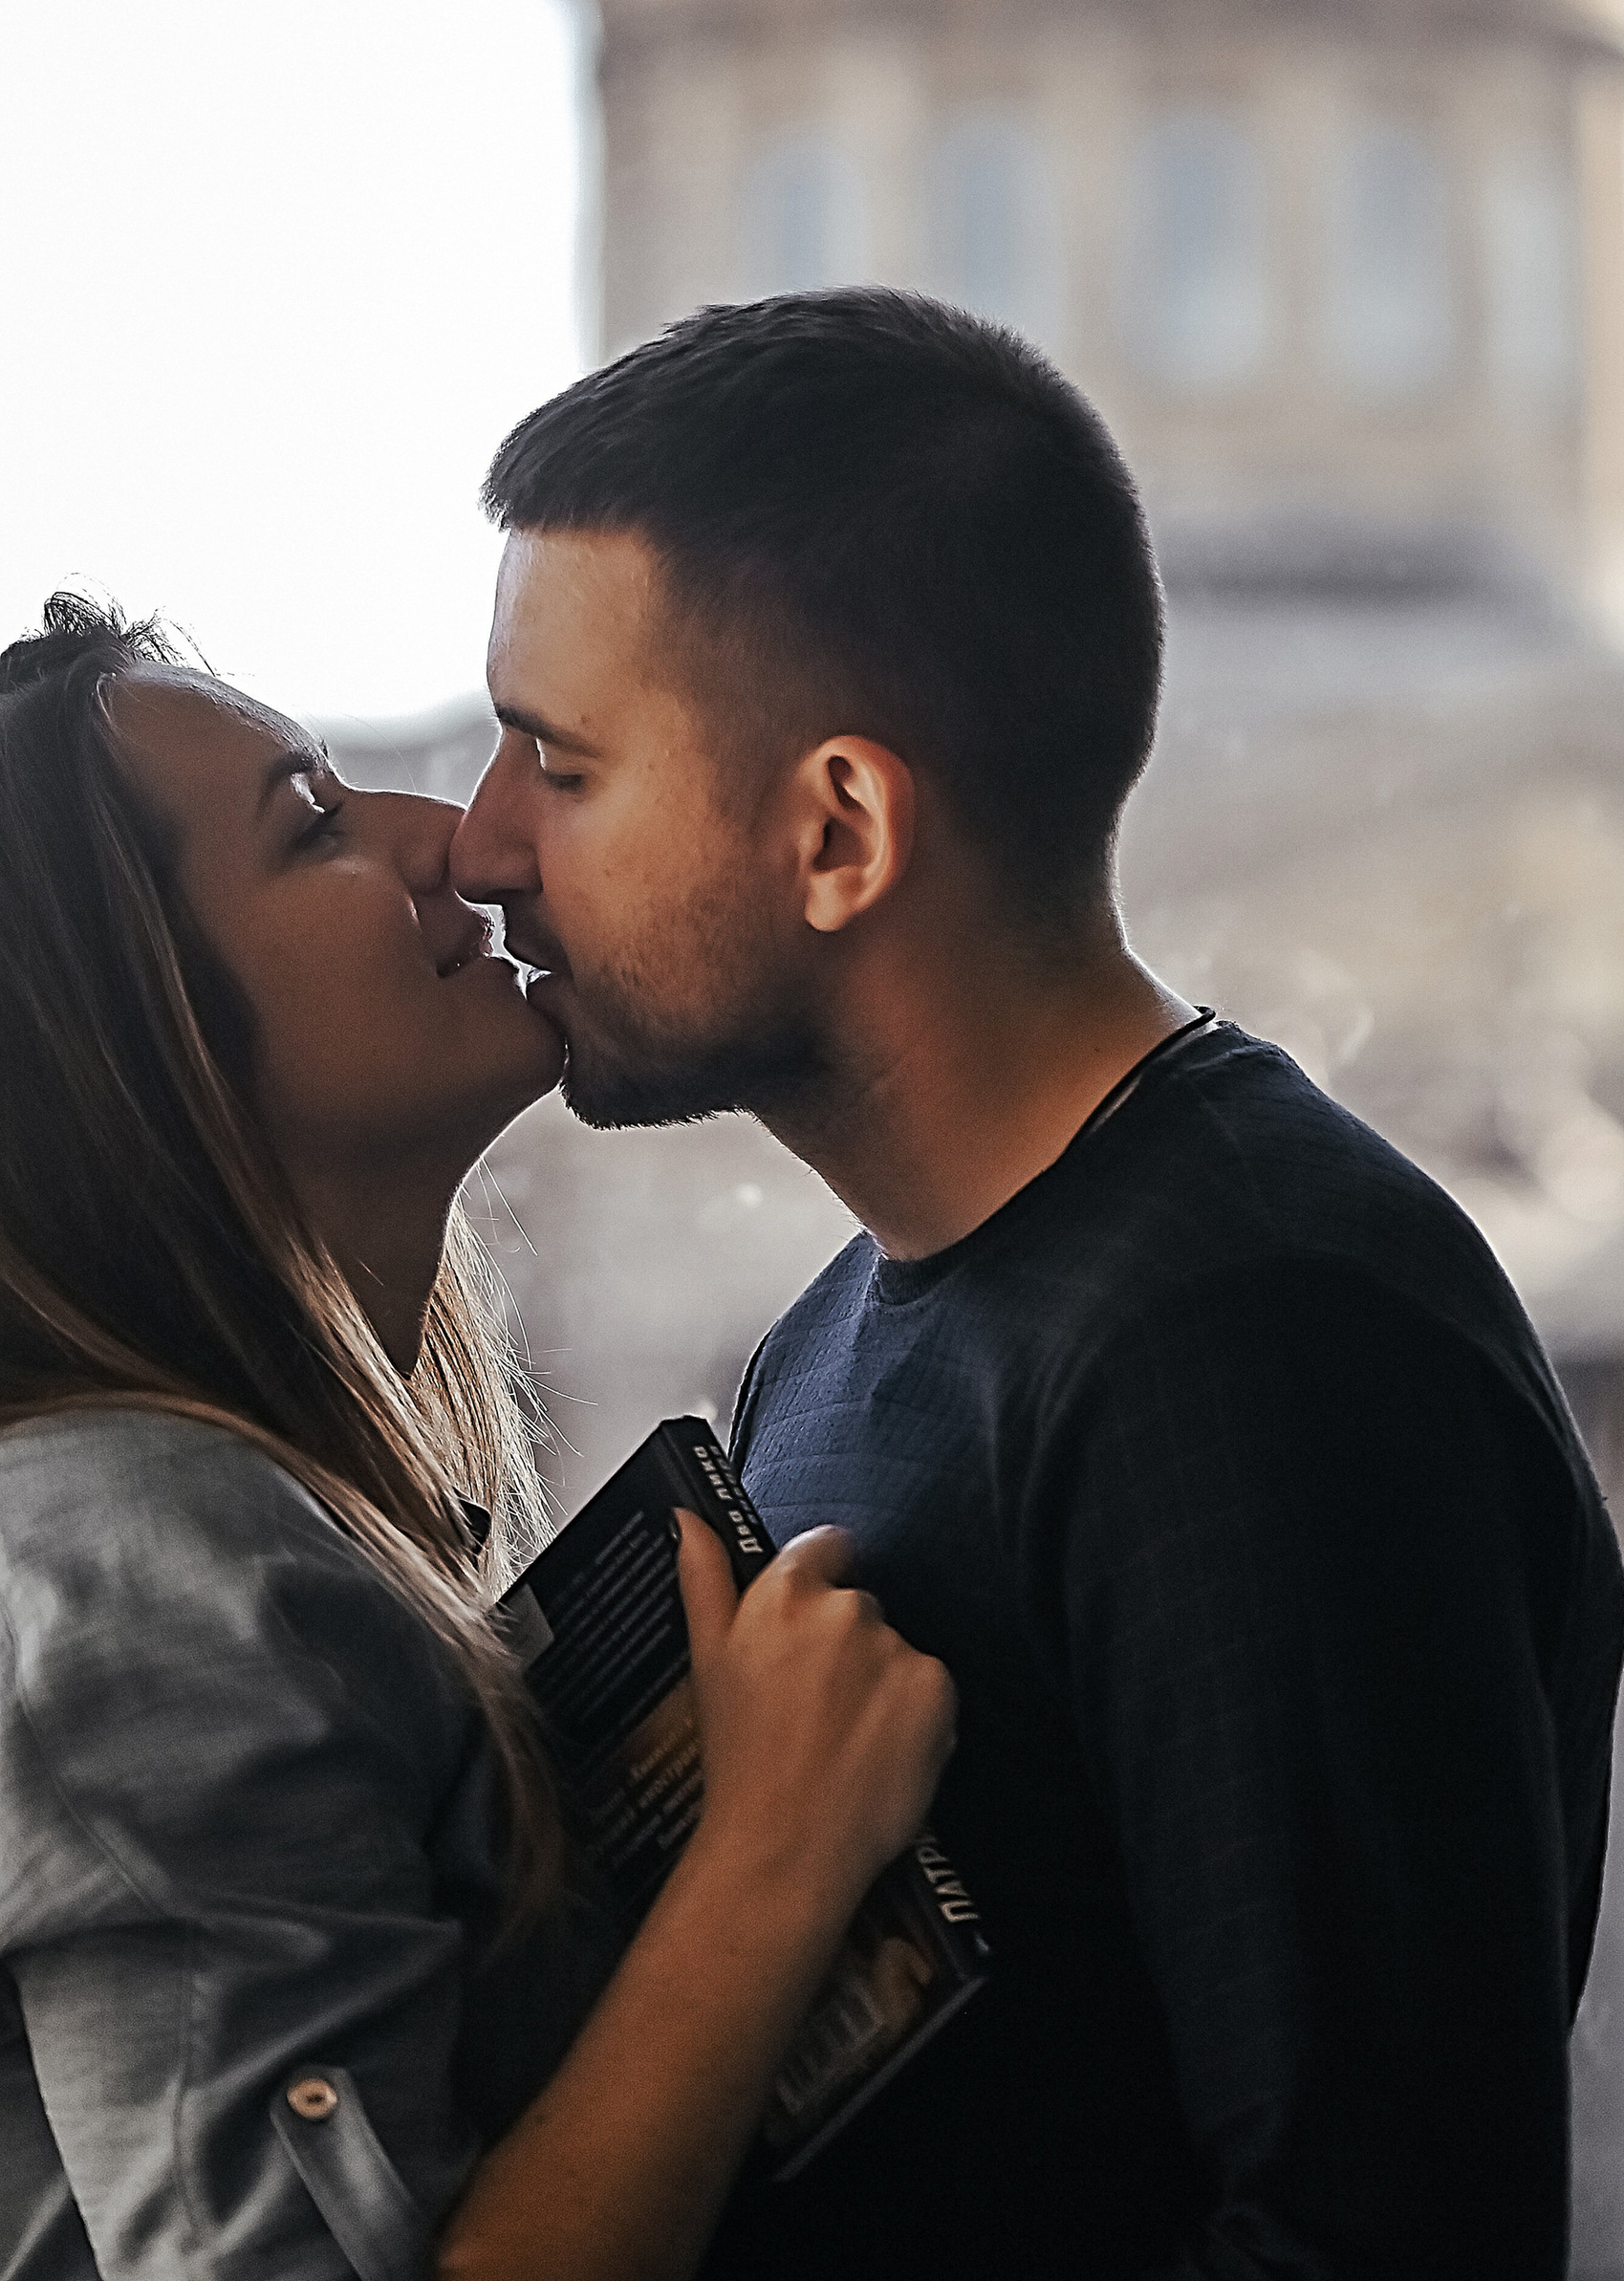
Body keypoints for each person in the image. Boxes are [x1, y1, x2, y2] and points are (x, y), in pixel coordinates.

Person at [453, 289, 1624, 2281]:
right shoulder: (859, 1323)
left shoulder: (1257, 1337)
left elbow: (1372, 2240)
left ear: (838, 828)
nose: (482, 847)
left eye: (559, 768)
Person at [0, 595, 954, 2281]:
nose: (457, 839)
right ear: (124, 1036)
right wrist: (773, 1858)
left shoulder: (214, 1516)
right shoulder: (146, 1556)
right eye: (313, 828)